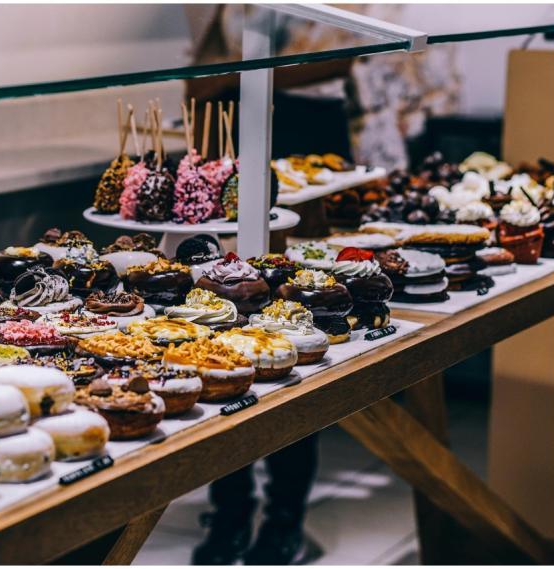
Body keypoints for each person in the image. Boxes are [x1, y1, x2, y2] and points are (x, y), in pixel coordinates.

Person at [183, 6, 354, 565]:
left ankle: (285, 516)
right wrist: (223, 83)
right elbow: (199, 66)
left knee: (290, 337)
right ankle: (229, 510)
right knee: (224, 334)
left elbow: (349, 50)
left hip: (305, 127)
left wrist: (241, 74)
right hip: (227, 132)